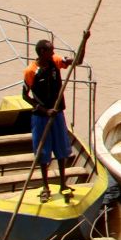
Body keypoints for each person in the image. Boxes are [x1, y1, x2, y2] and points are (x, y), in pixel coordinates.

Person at [21, 39, 74, 203]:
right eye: (50, 51)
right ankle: (46, 187)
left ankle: (63, 184)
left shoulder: (54, 62)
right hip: (41, 117)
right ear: (42, 52)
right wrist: (44, 110)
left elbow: (74, 61)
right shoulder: (31, 71)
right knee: (43, 153)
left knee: (61, 150)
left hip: (57, 114)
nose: (53, 53)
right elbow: (25, 96)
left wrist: (84, 42)